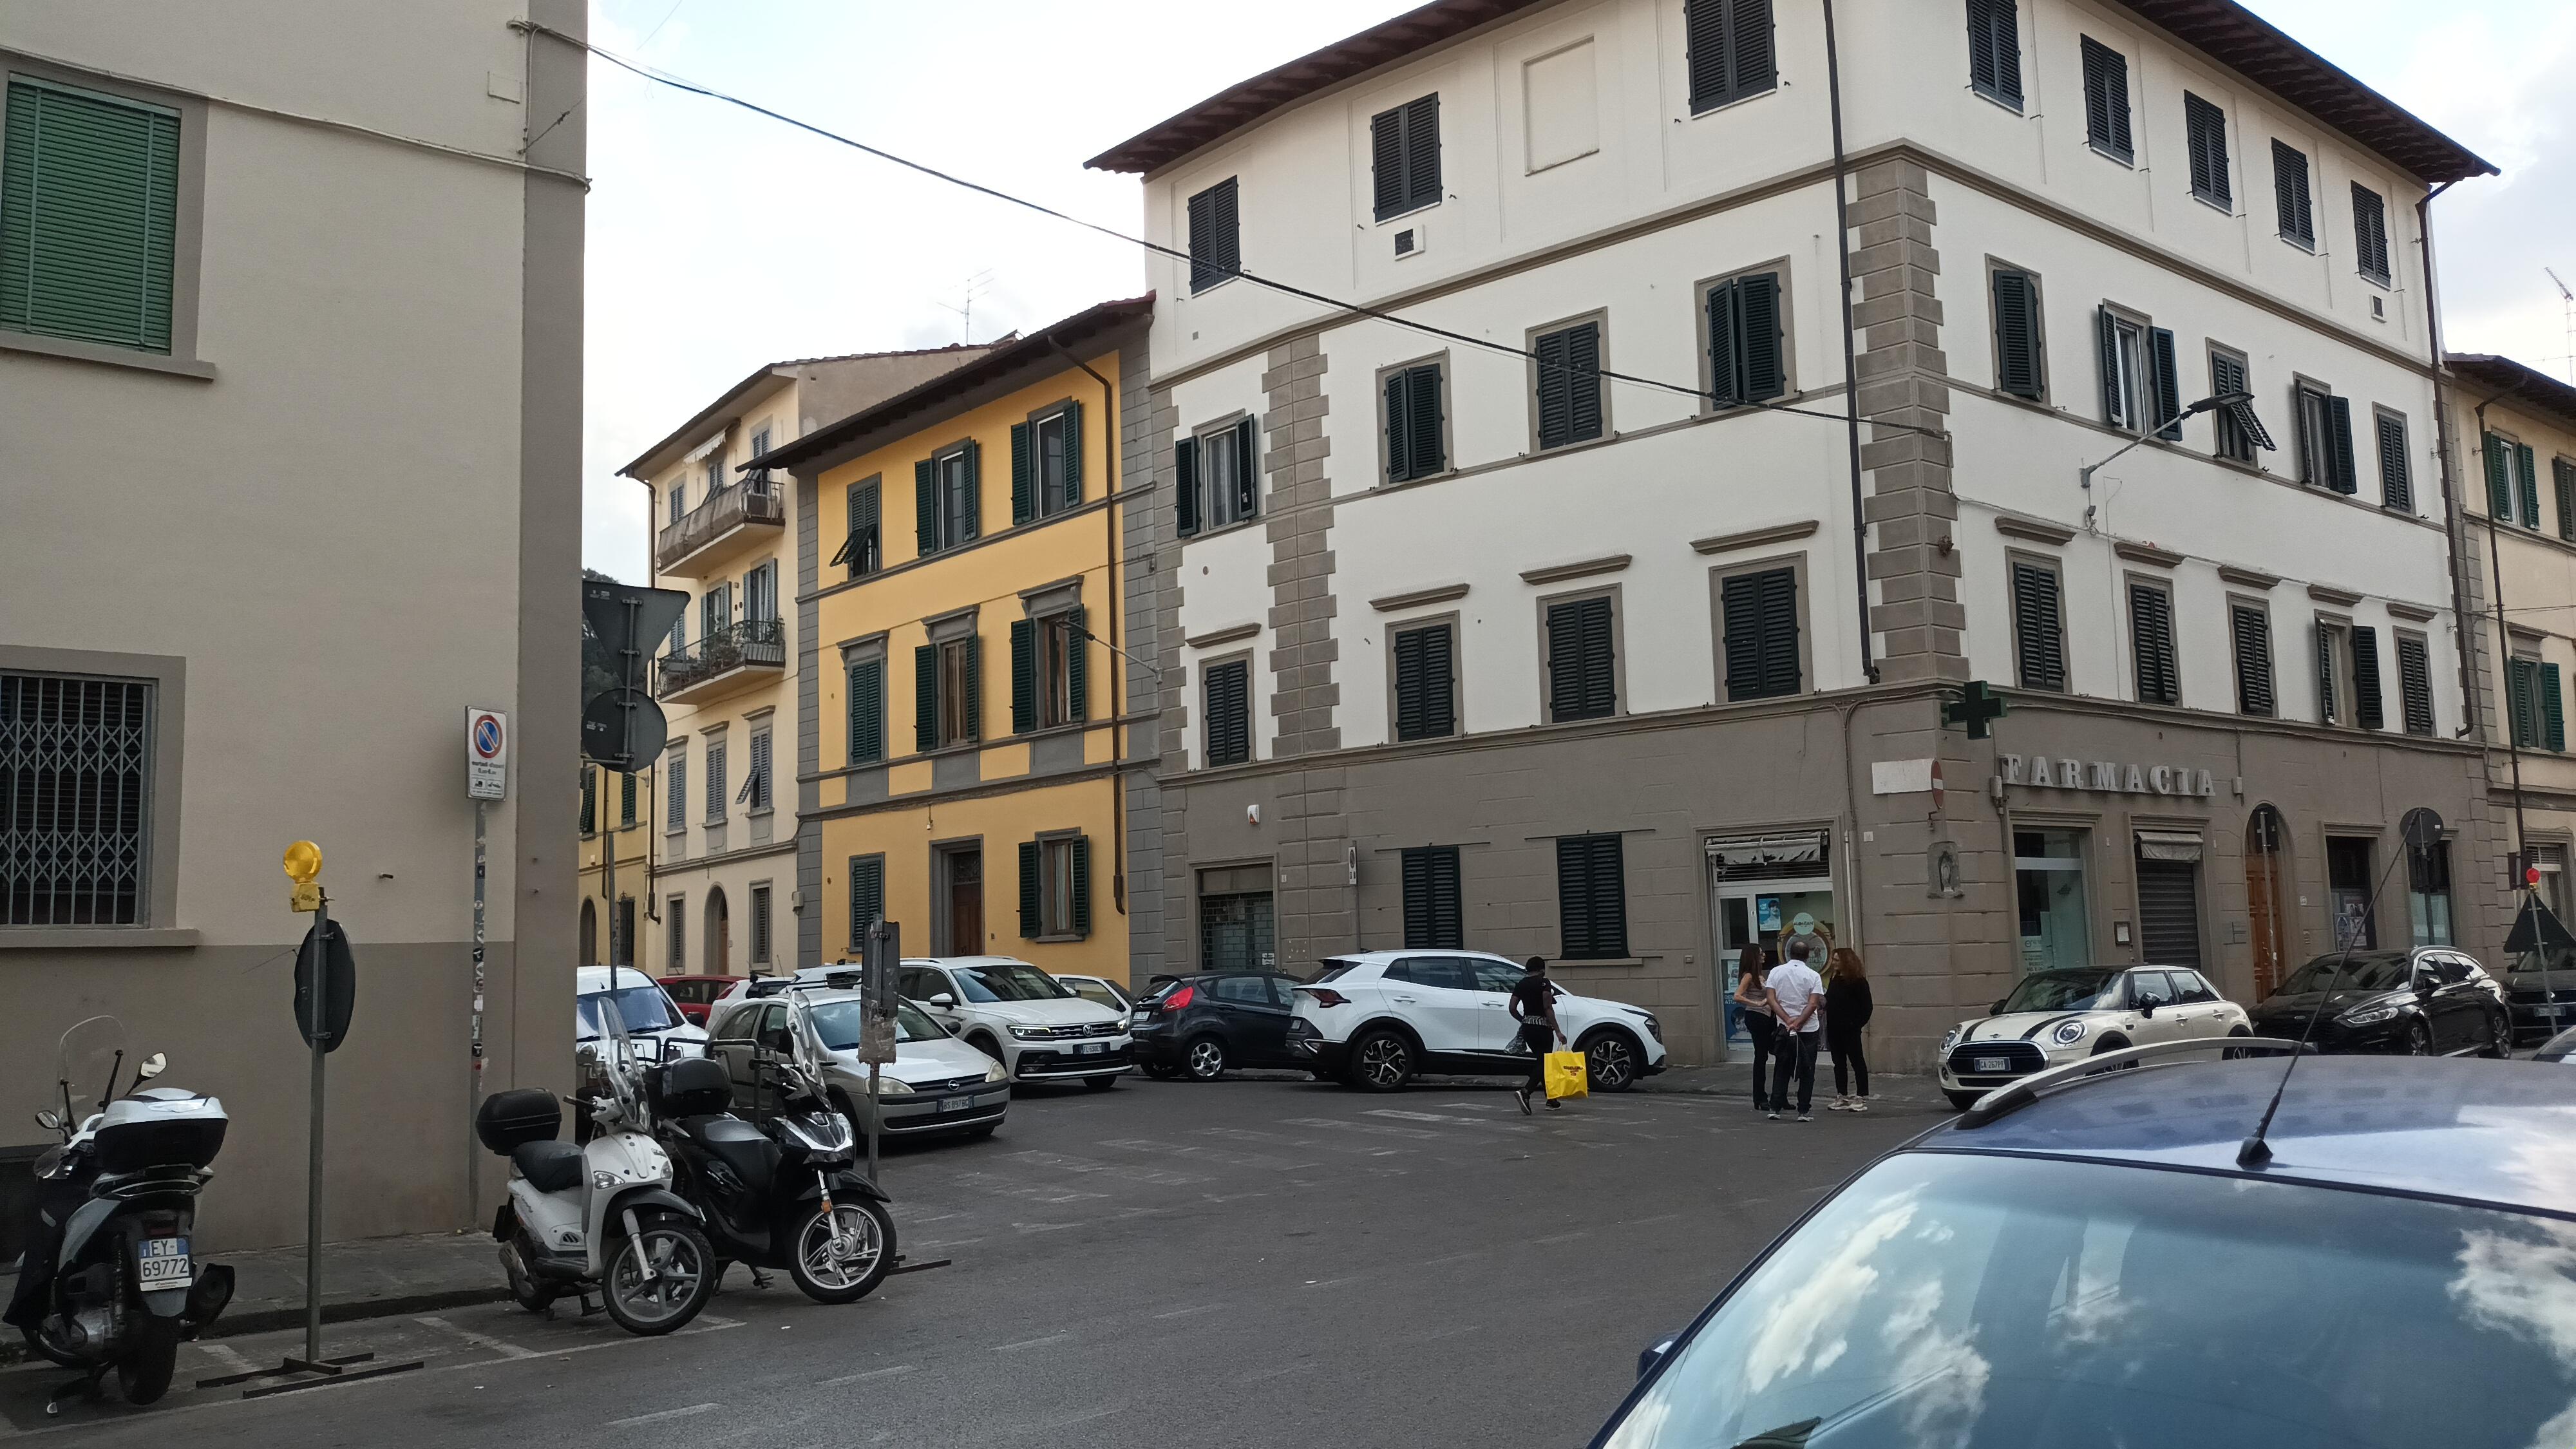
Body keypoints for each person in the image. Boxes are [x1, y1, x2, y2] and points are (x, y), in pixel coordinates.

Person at [1765, 940, 1825, 1122]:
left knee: (1782, 1066)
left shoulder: (1776, 972)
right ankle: (1803, 1110)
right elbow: (1813, 1003)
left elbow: (1771, 999)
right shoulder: (1813, 975)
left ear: (1789, 954)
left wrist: (1787, 1019)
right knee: (1807, 1068)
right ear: (1807, 956)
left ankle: (1775, 1107)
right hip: (1808, 1029)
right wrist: (1798, 1022)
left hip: (1784, 1028)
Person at [1510, 956, 1565, 1115]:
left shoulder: (1521, 984)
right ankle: (1526, 1092)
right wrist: (1558, 1030)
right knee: (1545, 1062)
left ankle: (1552, 1100)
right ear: (1542, 969)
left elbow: (1512, 1008)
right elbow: (1548, 1007)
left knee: (1542, 1061)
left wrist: (1524, 1020)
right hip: (1543, 1029)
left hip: (1528, 1029)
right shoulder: (1544, 983)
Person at [1823, 946, 1874, 1112]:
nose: (1834, 963)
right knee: (1839, 1063)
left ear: (1846, 961)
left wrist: (1856, 1024)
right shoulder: (1835, 978)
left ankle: (1861, 1095)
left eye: (1837, 960)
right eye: (1834, 960)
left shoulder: (1858, 981)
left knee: (1857, 1061)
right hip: (1834, 1027)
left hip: (1850, 1029)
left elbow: (1867, 1007)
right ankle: (1842, 1095)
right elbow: (1831, 999)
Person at [1730, 943, 1775, 1112]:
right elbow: (1737, 996)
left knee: (1773, 1052)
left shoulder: (1759, 975)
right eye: (1761, 953)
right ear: (1754, 956)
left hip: (1766, 1016)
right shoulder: (1749, 975)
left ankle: (1775, 1095)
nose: (1764, 956)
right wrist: (1756, 1003)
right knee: (1761, 1056)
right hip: (1757, 1017)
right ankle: (1760, 1097)